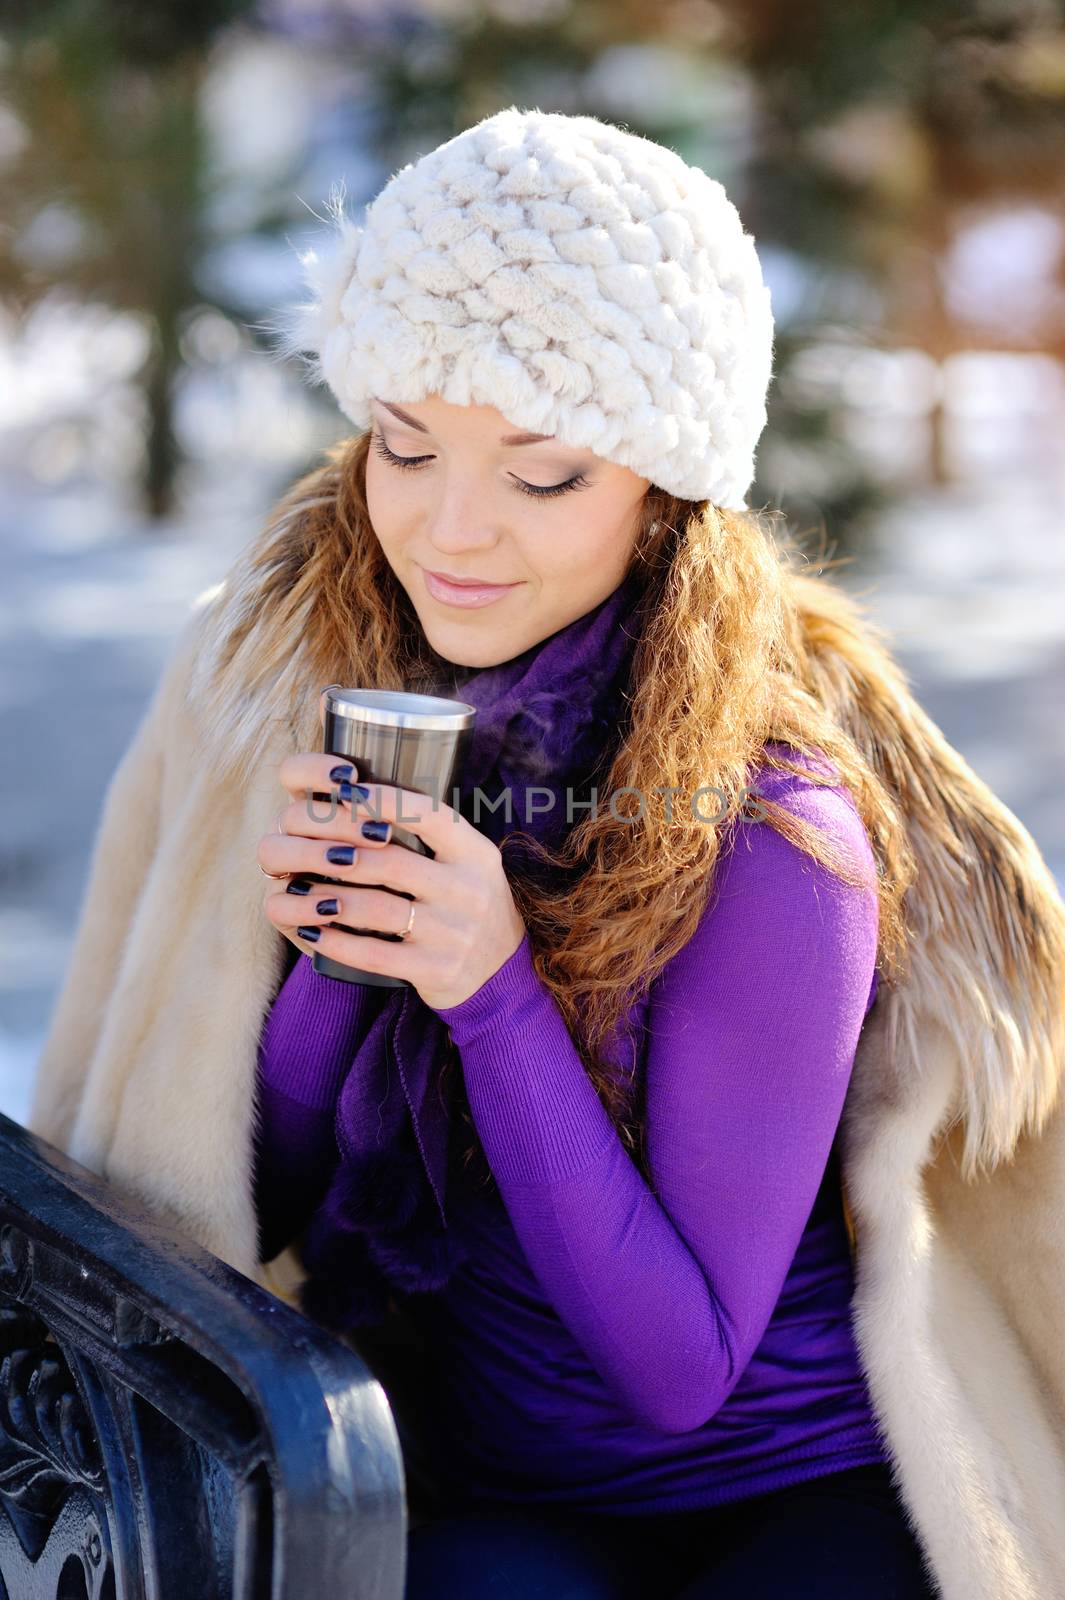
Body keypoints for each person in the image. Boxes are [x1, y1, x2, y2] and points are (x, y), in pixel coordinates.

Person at [28, 108, 1065, 1600]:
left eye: (543, 475)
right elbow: (274, 1227)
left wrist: (490, 988)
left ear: (660, 497)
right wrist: (334, 956)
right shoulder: (337, 698)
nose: (451, 533)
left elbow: (676, 1371)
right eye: (405, 445)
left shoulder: (778, 833)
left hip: (792, 1489)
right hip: (480, 1465)